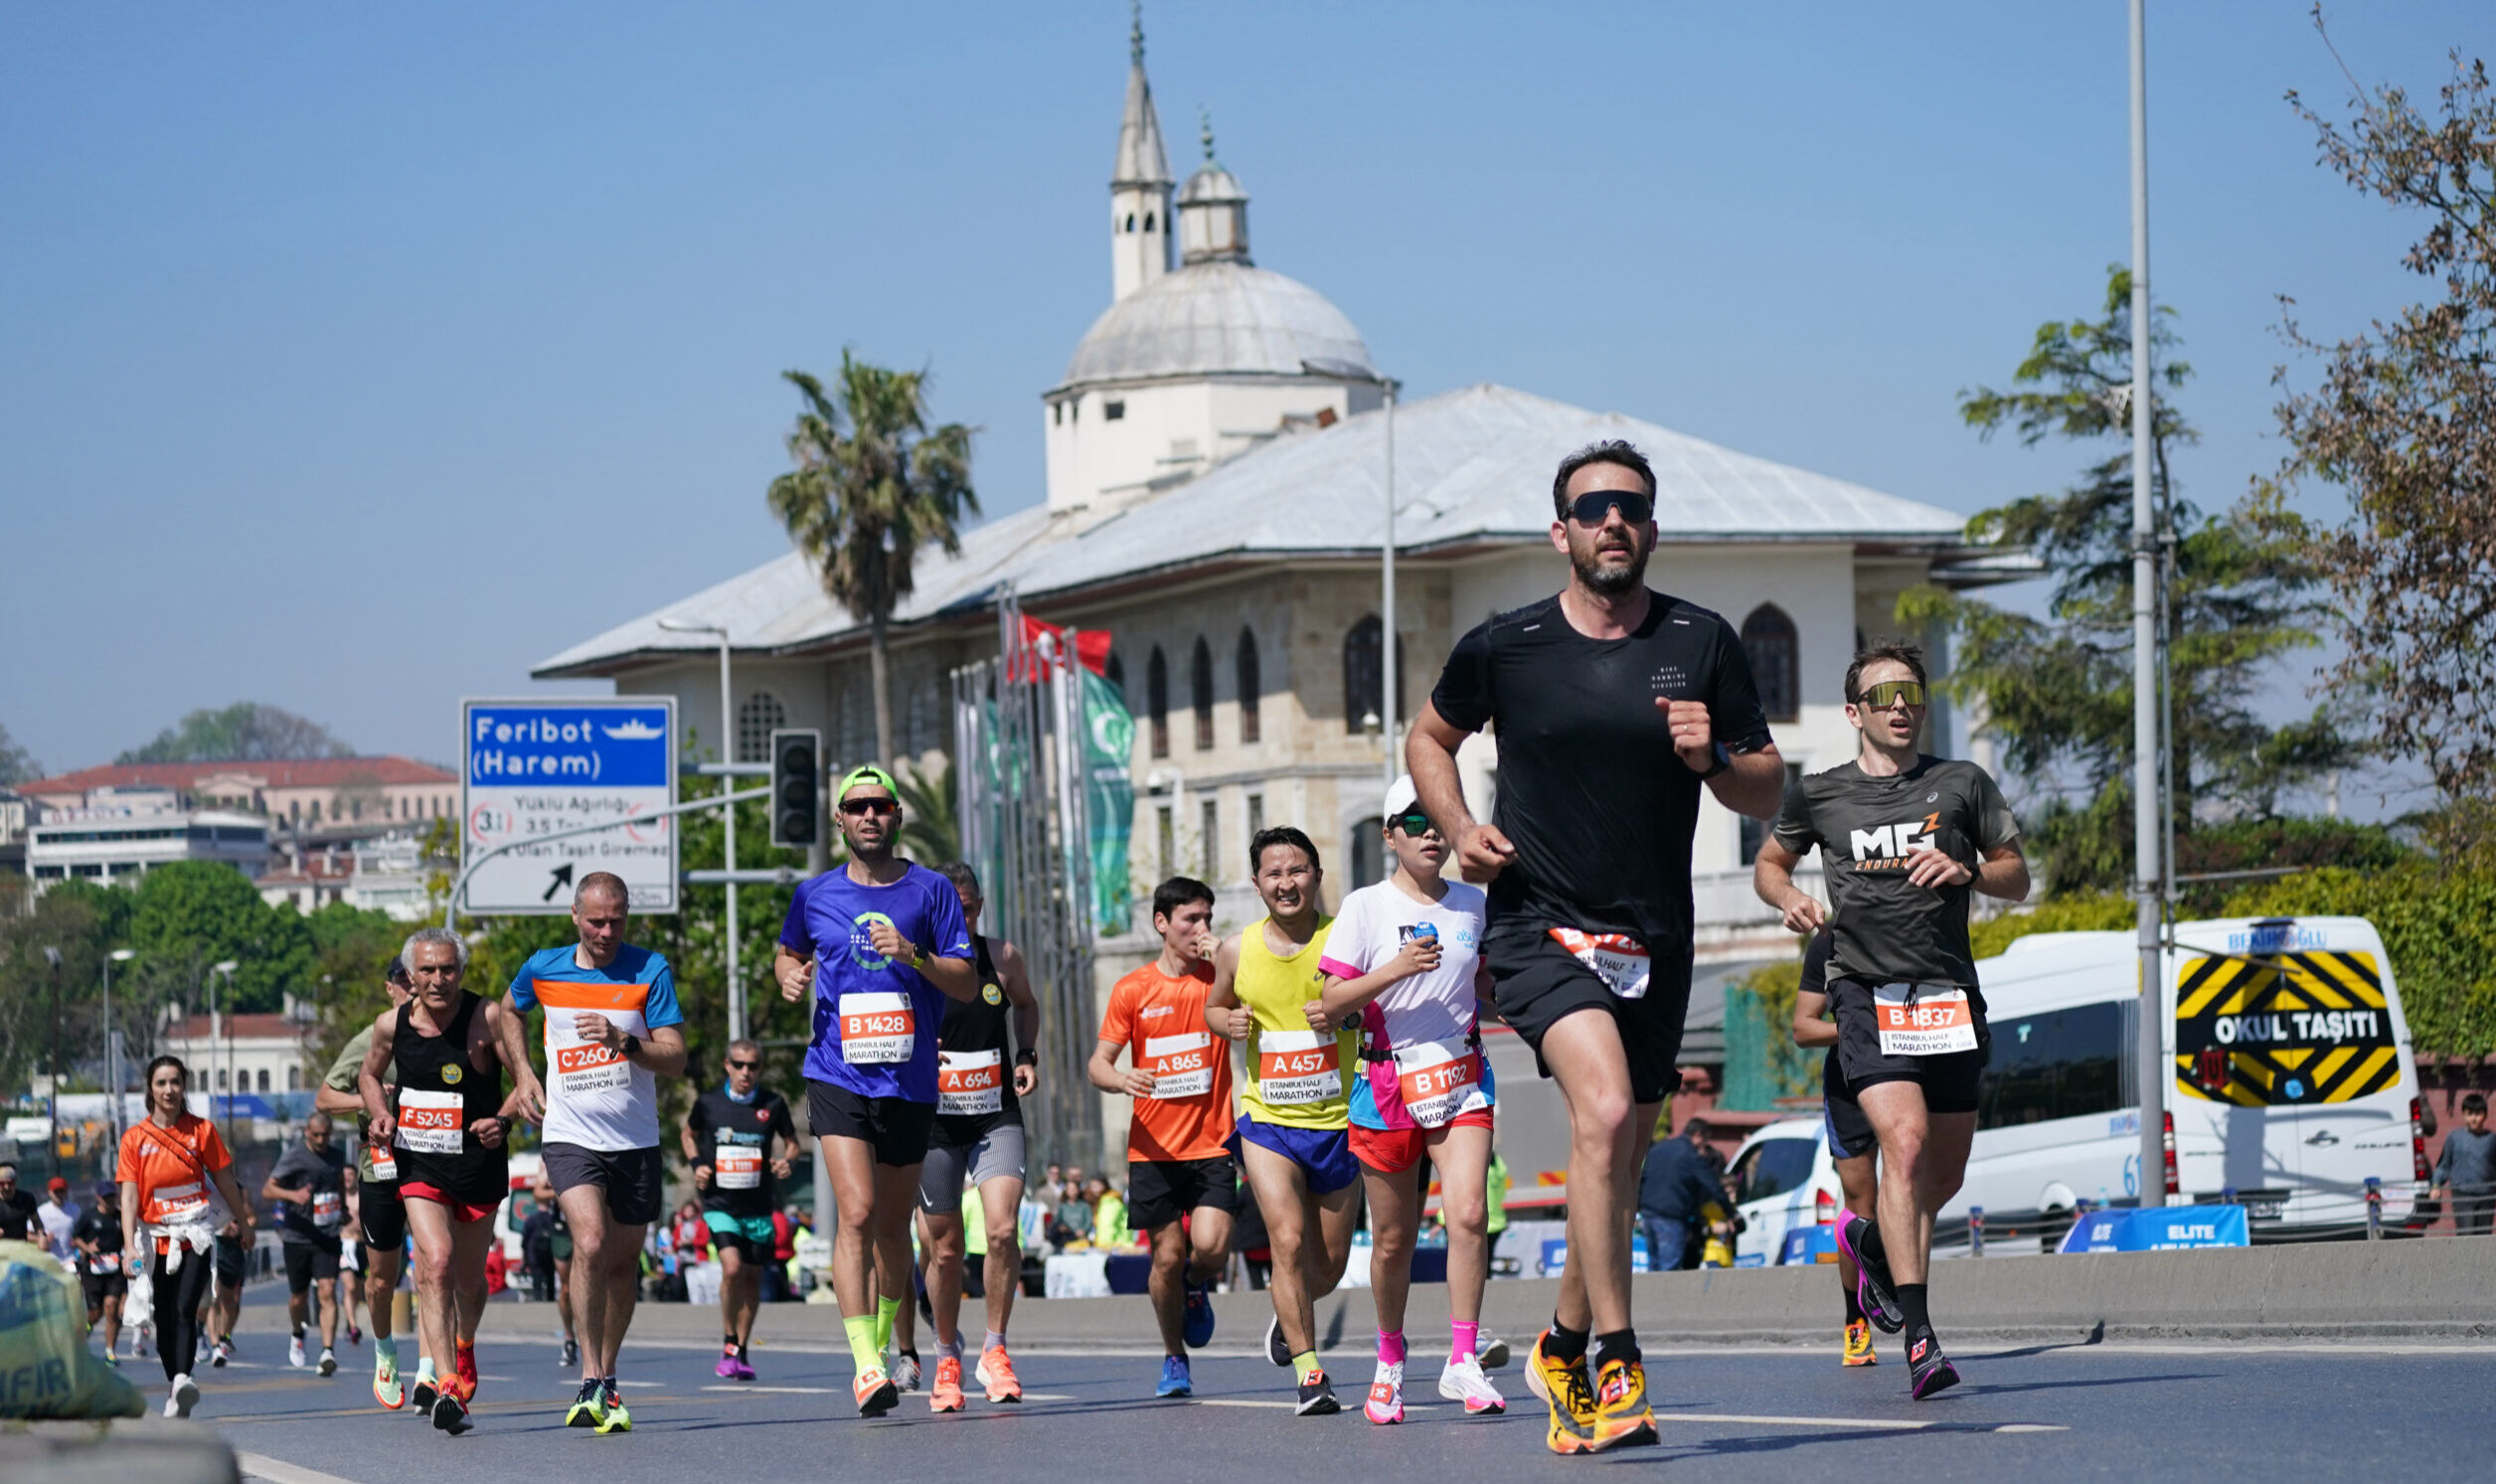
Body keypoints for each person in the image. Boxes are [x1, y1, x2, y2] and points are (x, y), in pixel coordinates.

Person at [1409, 439, 1787, 1453]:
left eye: (1630, 506)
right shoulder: (1509, 643)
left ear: (1651, 529)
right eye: (1592, 507)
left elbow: (1768, 785)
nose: (1611, 520)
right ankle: (1619, 1356)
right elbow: (1428, 739)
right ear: (1561, 530)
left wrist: (1716, 760)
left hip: (1656, 937)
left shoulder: (1702, 640)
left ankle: (1563, 1337)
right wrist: (1456, 828)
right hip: (1539, 923)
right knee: (1610, 1106)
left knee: (1618, 1150)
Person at [1754, 640, 2028, 1400]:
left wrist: (1970, 867)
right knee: (1901, 1149)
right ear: (1853, 713)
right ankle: (1921, 1337)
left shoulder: (1961, 782)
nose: (1900, 705)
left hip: (1947, 994)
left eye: (1910, 691)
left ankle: (1870, 1242)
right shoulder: (1821, 793)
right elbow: (1768, 865)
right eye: (1882, 695)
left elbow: (2017, 872)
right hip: (1864, 992)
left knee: (1940, 1174)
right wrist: (1788, 899)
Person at [774, 763, 978, 1417]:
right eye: (856, 806)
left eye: (880, 805)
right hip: (835, 1073)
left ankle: (896, 1341)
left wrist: (912, 954)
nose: (869, 815)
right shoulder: (813, 893)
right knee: (856, 1213)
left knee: (894, 1227)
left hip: (910, 1079)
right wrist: (788, 976)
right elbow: (788, 950)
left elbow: (966, 982)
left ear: (896, 815)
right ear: (839, 819)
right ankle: (865, 1364)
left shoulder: (933, 890)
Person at [1315, 777, 1507, 1422]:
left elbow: (1483, 984)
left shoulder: (1472, 905)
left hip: (1460, 1077)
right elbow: (1327, 1003)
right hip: (1386, 1085)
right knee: (1394, 1239)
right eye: (1412, 821)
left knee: (1469, 1214)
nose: (1430, 832)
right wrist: (1394, 968)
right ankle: (1389, 1362)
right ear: (1388, 834)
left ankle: (1461, 1360)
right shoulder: (1363, 907)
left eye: (1437, 822)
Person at [505, 870, 690, 1434]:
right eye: (596, 920)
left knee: (620, 1265)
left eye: (616, 920)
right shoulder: (544, 966)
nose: (607, 931)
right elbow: (507, 1011)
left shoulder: (649, 969)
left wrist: (625, 1042)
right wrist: (523, 1073)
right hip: (569, 1133)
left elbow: (676, 1057)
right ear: (575, 917)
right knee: (588, 1239)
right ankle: (588, 1376)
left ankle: (608, 1375)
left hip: (635, 1140)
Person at [362, 925, 544, 1435]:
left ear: (460, 972)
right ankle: (445, 1384)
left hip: (478, 1164)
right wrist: (380, 1112)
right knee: (434, 1262)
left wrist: (503, 1119)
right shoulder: (389, 1025)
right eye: (427, 970)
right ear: (410, 976)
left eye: (447, 969)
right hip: (418, 1163)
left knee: (469, 1280)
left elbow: (525, 1079)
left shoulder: (486, 1018)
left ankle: (464, 1346)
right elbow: (369, 1075)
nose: (438, 979)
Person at [1208, 826, 1362, 1417]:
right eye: (1274, 874)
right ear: (1256, 883)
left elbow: (1372, 1003)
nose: (1286, 883)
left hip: (1339, 1121)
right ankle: (1309, 1372)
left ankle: (1289, 1308)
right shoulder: (1236, 948)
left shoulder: (1344, 938)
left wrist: (1347, 1011)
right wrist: (1228, 1025)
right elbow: (1213, 1005)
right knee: (1287, 1242)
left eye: (1297, 871)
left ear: (1317, 876)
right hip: (1266, 1120)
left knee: (1328, 1264)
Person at [1088, 876, 1238, 1399]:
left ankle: (1196, 1286)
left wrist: (1227, 961)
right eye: (1190, 919)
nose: (1201, 929)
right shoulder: (1133, 989)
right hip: (1152, 1148)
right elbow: (1098, 1065)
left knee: (1212, 1248)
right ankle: (1174, 1357)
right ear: (1162, 923)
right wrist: (1121, 1079)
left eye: (1207, 919)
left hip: (1213, 1140)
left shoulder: (1219, 976)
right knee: (1167, 1258)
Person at [912, 862, 1040, 1411]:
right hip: (935, 1121)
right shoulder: (916, 964)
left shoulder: (1003, 957)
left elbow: (1027, 1006)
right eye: (951, 908)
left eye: (969, 907)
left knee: (1004, 1229)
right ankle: (945, 1355)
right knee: (942, 1251)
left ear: (980, 905)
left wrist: (1027, 1054)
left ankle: (995, 1347)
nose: (961, 917)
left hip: (994, 1112)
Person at [117, 1055, 256, 1418]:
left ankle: (182, 1378)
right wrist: (129, 1243)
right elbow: (129, 1195)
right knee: (163, 1314)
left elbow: (225, 1180)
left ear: (184, 1086)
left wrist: (243, 1223)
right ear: (150, 1088)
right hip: (155, 1237)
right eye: (161, 1083)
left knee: (185, 1308)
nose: (169, 1090)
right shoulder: (134, 1139)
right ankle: (174, 1385)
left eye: (175, 1082)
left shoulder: (202, 1131)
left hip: (195, 1233)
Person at [316, 954, 423, 1409]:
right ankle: (385, 1351)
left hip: (433, 1160)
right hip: (379, 1164)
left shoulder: (450, 1031)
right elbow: (324, 1097)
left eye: (418, 978)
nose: (414, 987)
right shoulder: (375, 1036)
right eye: (404, 980)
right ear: (390, 987)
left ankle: (434, 1372)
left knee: (438, 1265)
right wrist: (375, 1096)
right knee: (382, 1278)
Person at [1789, 927, 1881, 1365]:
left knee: (1914, 1195)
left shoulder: (1920, 923)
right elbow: (1803, 1028)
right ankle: (1855, 1320)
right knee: (1862, 1207)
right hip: (1850, 1081)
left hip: (1914, 1070)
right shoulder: (1830, 940)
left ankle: (1914, 1315)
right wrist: (1854, 1029)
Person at [262, 1112, 348, 1375]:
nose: (322, 1140)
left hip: (327, 1233)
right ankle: (298, 1332)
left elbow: (339, 1183)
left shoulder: (336, 1156)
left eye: (326, 1135)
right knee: (298, 1298)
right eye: (316, 1135)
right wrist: (293, 1195)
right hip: (297, 1236)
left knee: (328, 1289)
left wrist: (342, 1207)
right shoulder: (294, 1156)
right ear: (307, 1133)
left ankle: (327, 1352)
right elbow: (268, 1189)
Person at [1637, 1119, 1734, 1273]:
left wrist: (1640, 1206)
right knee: (1668, 1269)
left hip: (1648, 1214)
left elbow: (1642, 1179)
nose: (1704, 1147)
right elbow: (1713, 1185)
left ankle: (1650, 1297)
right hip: (1671, 1217)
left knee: (1653, 1266)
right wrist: (1730, 1213)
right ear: (1697, 1135)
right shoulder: (1690, 1155)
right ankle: (1664, 1298)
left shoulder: (1658, 1149)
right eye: (1706, 1140)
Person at [74, 1181, 129, 1365]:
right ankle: (87, 1326)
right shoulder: (89, 1216)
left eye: (111, 1196)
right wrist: (87, 1248)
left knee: (112, 1307)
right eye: (105, 1197)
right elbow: (75, 1238)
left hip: (114, 1269)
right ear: (98, 1197)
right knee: (95, 1313)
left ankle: (110, 1351)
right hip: (93, 1269)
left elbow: (129, 1237)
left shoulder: (121, 1216)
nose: (109, 1200)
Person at [2432, 1091, 2496, 1237]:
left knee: (2484, 1238)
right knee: (2465, 1236)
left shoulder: (2492, 1139)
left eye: (2478, 1114)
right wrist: (2436, 1185)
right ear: (2463, 1115)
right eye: (2470, 1114)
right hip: (2462, 1194)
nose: (2474, 1118)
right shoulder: (2455, 1138)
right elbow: (2443, 1166)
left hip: (2487, 1195)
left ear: (2485, 1115)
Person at [37, 1177, 81, 1263]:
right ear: (49, 1192)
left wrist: (78, 1241)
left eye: (62, 1191)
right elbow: (28, 1234)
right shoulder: (41, 1211)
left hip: (71, 1259)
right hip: (50, 1262)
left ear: (66, 1191)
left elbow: (81, 1232)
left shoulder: (75, 1209)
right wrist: (43, 1239)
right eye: (56, 1191)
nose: (59, 1194)